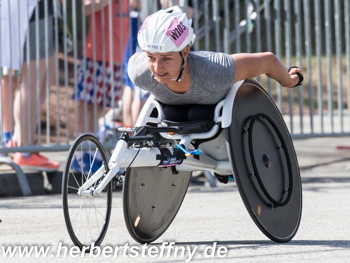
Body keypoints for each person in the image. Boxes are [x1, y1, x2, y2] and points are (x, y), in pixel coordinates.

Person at [127, 6, 303, 182]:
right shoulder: (140, 71)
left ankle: (221, 156)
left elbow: (268, 61)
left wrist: (290, 80)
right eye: (151, 57)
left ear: (185, 53)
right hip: (175, 116)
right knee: (172, 115)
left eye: (166, 58)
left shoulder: (215, 70)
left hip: (218, 121)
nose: (157, 68)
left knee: (199, 114)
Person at [1, 0, 60, 171]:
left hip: (34, 10)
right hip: (29, 10)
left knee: (40, 80)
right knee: (30, 82)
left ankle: (21, 143)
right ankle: (25, 150)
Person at [72, 0, 129, 173]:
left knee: (100, 106)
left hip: (117, 57)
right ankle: (81, 154)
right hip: (96, 54)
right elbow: (86, 8)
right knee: (87, 104)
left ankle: (93, 151)